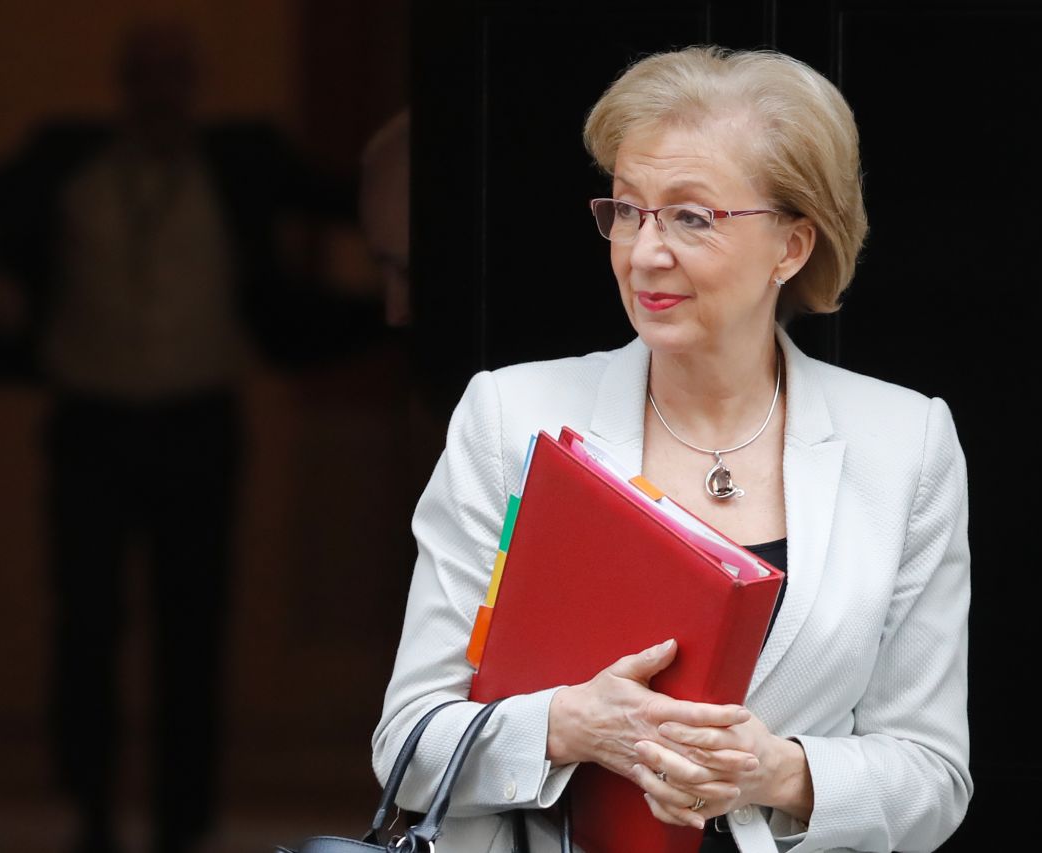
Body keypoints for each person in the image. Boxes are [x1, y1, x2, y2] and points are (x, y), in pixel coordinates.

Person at [372, 47, 971, 853]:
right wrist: (571, 725)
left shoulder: (906, 443)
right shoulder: (511, 417)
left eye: (691, 216)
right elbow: (406, 745)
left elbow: (933, 776)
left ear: (791, 247)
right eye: (627, 209)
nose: (644, 251)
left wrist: (776, 772)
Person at [0, 20, 371, 853]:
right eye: (146, 75)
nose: (161, 92)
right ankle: (88, 810)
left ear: (192, 86)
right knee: (86, 622)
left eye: (175, 75)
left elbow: (355, 203)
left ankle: (182, 823)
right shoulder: (66, 161)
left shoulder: (239, 162)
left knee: (193, 625)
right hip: (89, 422)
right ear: (125, 84)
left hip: (199, 422)